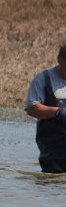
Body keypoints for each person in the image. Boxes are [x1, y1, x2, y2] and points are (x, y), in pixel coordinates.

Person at [25, 44, 66, 173]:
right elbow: (32, 108)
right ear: (60, 59)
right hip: (53, 148)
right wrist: (58, 112)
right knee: (52, 180)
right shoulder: (44, 79)